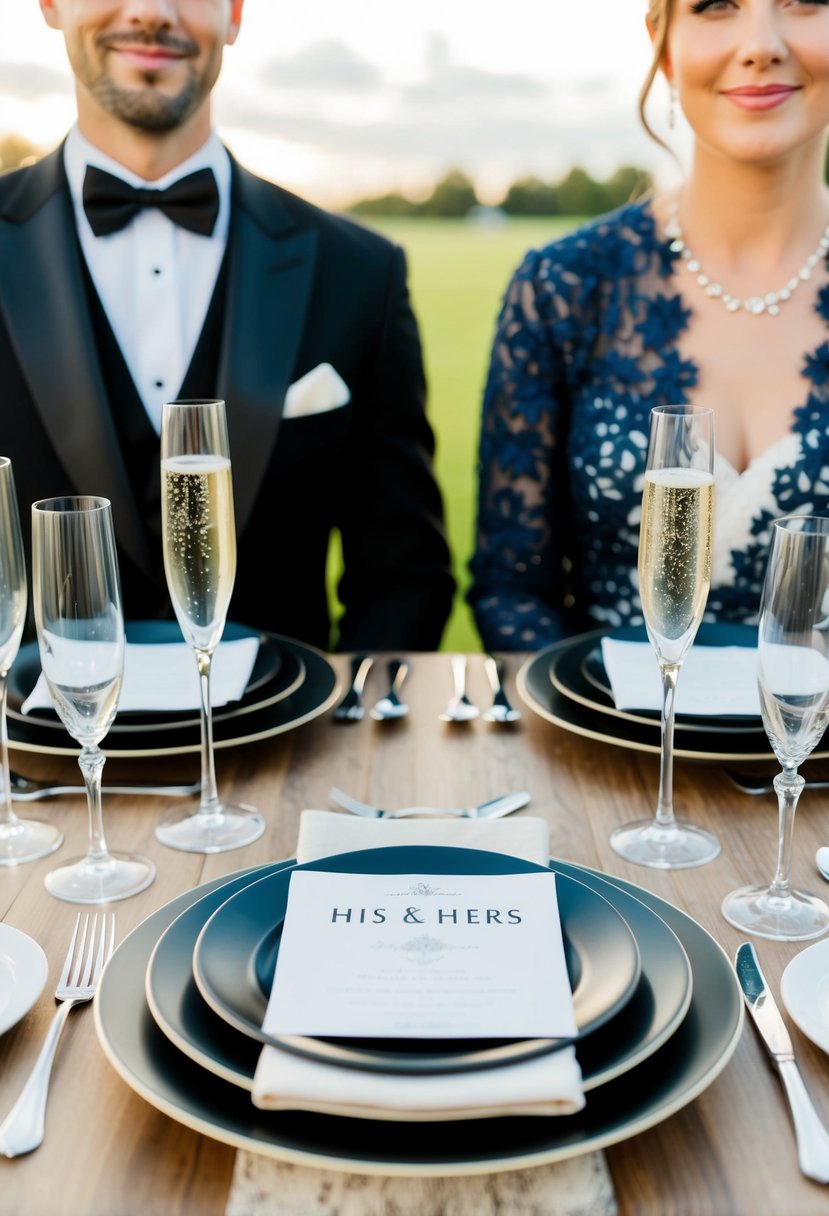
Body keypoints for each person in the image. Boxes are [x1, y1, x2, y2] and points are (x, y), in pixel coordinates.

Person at [0, 0, 455, 653]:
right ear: (49, 4)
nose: (152, 12)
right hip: (30, 754)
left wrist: (342, 742)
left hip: (292, 748)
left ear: (235, 11)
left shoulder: (359, 273)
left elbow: (404, 579)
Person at [468, 0, 829, 652]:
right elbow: (511, 590)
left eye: (803, 0)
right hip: (601, 744)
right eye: (716, 5)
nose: (759, 44)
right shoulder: (561, 288)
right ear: (662, 44)